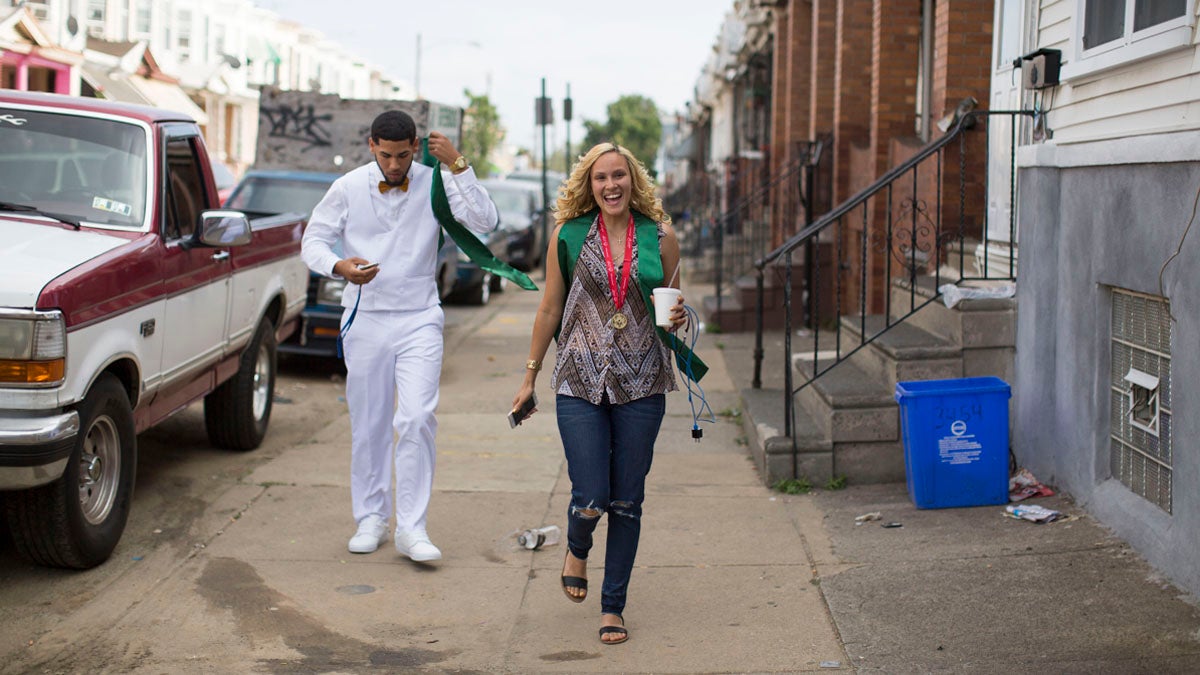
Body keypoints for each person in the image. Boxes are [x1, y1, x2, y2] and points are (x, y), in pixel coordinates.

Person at [511, 142, 703, 645]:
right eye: (601, 178)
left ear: (633, 181)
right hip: (578, 378)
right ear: (588, 185)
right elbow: (550, 308)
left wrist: (678, 316)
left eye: (619, 176)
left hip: (642, 381)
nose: (611, 185)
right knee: (592, 492)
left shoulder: (660, 237)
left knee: (627, 501)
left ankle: (613, 606)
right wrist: (530, 376)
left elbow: (671, 309)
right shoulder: (568, 235)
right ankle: (577, 545)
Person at [301, 110, 498, 562]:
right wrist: (340, 266)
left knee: (415, 418)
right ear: (371, 145)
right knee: (369, 422)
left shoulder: (435, 182)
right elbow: (312, 241)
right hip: (365, 317)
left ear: (415, 147)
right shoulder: (348, 187)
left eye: (402, 155)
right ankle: (371, 517)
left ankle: (412, 528)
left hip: (419, 318)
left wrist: (460, 165)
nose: (394, 165)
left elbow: (485, 222)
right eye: (386, 155)